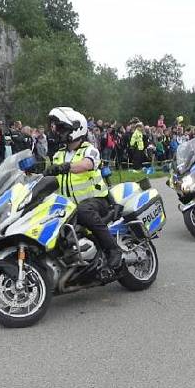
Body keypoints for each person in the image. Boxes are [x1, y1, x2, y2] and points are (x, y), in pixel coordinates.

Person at [46, 106, 122, 270]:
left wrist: (64, 167)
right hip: (69, 206)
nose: (58, 132)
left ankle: (113, 249)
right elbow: (51, 179)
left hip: (97, 201)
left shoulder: (90, 149)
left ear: (76, 129)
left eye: (62, 128)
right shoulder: (58, 154)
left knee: (83, 211)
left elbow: (87, 164)